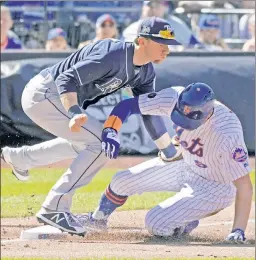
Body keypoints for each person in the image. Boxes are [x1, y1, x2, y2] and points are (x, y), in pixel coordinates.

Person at [1, 17, 180, 236]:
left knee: (85, 144)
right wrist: (74, 111)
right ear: (142, 41)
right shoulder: (113, 54)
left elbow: (148, 111)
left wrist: (168, 151)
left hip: (53, 96)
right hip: (46, 93)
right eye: (161, 43)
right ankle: (54, 207)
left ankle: (20, 158)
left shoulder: (145, 72)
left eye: (169, 45)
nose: (167, 50)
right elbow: (66, 78)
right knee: (99, 143)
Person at [81, 83, 252, 244]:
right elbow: (127, 106)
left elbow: (244, 185)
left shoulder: (227, 132)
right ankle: (97, 219)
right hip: (185, 164)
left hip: (215, 186)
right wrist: (111, 129)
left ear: (207, 115)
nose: (182, 119)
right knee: (121, 180)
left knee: (156, 223)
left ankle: (186, 221)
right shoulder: (172, 96)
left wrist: (238, 230)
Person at [122, 0, 200, 49]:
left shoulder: (176, 24)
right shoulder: (131, 29)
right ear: (144, 7)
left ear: (166, 7)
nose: (154, 9)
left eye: (159, 4)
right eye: (151, 5)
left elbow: (196, 45)